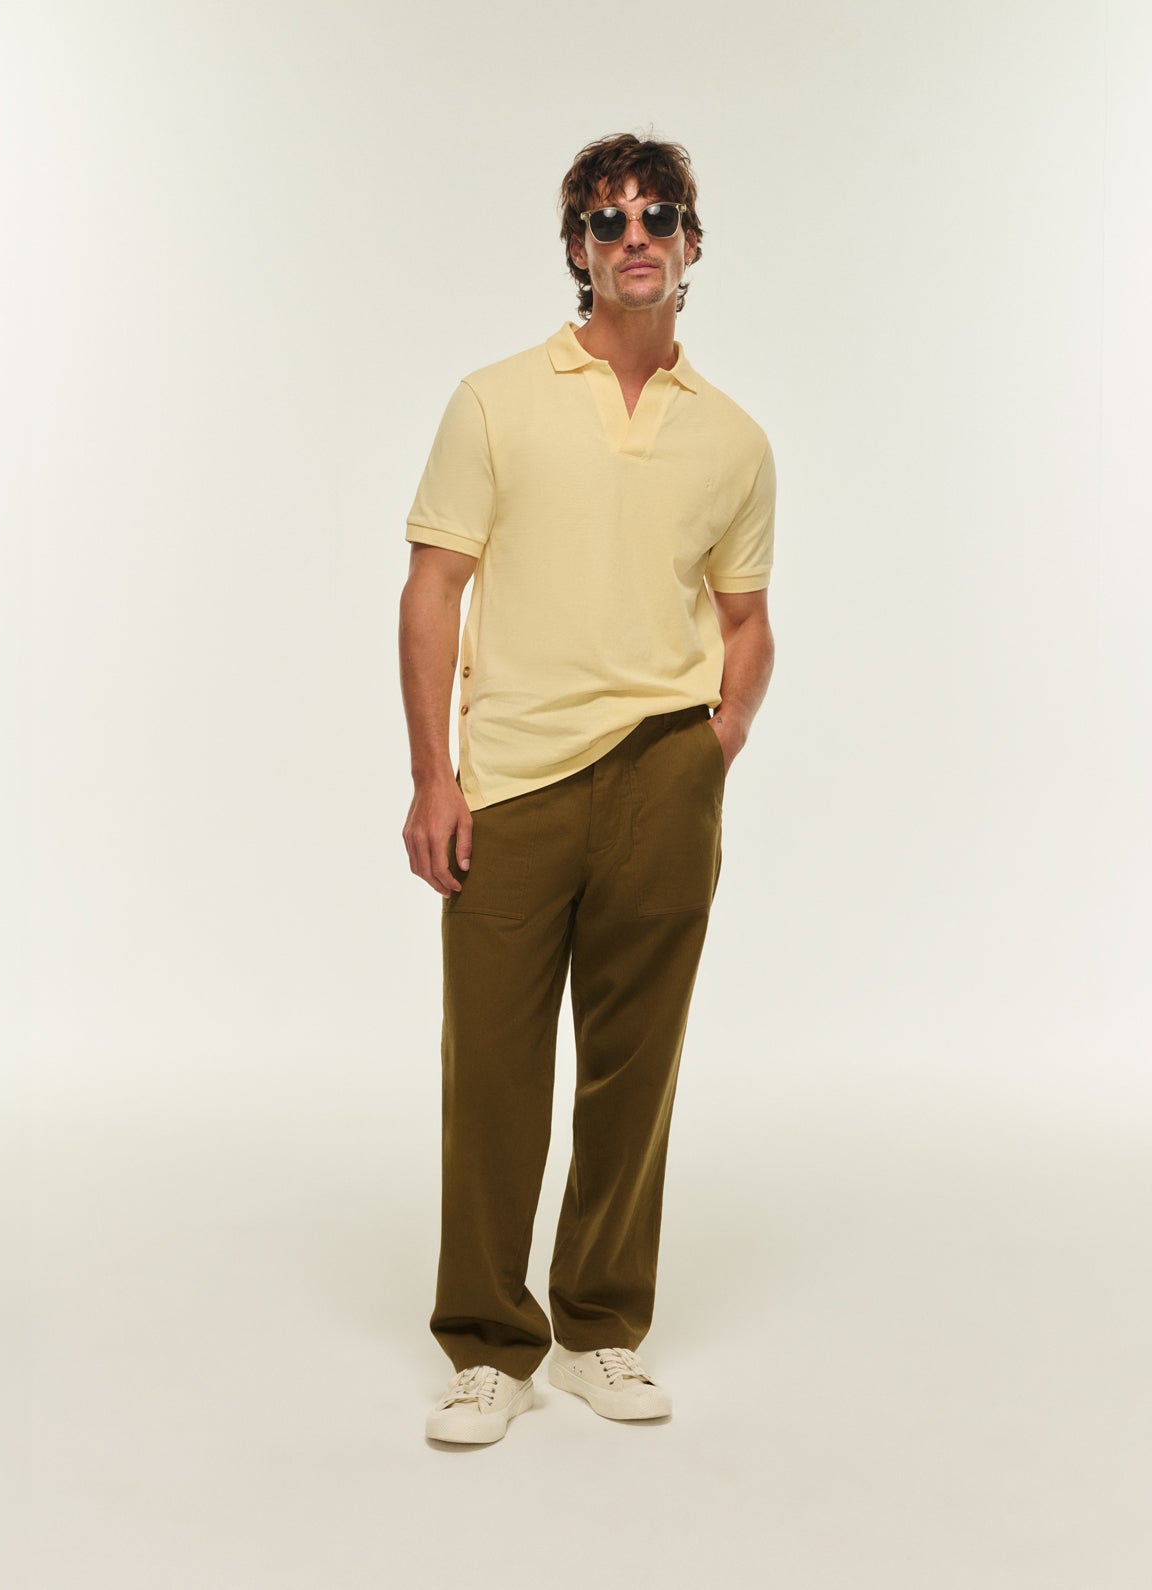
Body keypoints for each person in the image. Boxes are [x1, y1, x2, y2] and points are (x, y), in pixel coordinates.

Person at [399, 131, 776, 1445]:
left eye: (659, 215)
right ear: (578, 249)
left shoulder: (734, 437)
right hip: (512, 780)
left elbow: (747, 618)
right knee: (492, 1068)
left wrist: (715, 740)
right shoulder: (495, 401)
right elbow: (433, 591)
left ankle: (601, 1329)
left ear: (690, 241)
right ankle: (487, 1344)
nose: (636, 237)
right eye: (608, 220)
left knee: (635, 1064)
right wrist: (434, 776)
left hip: (665, 772)